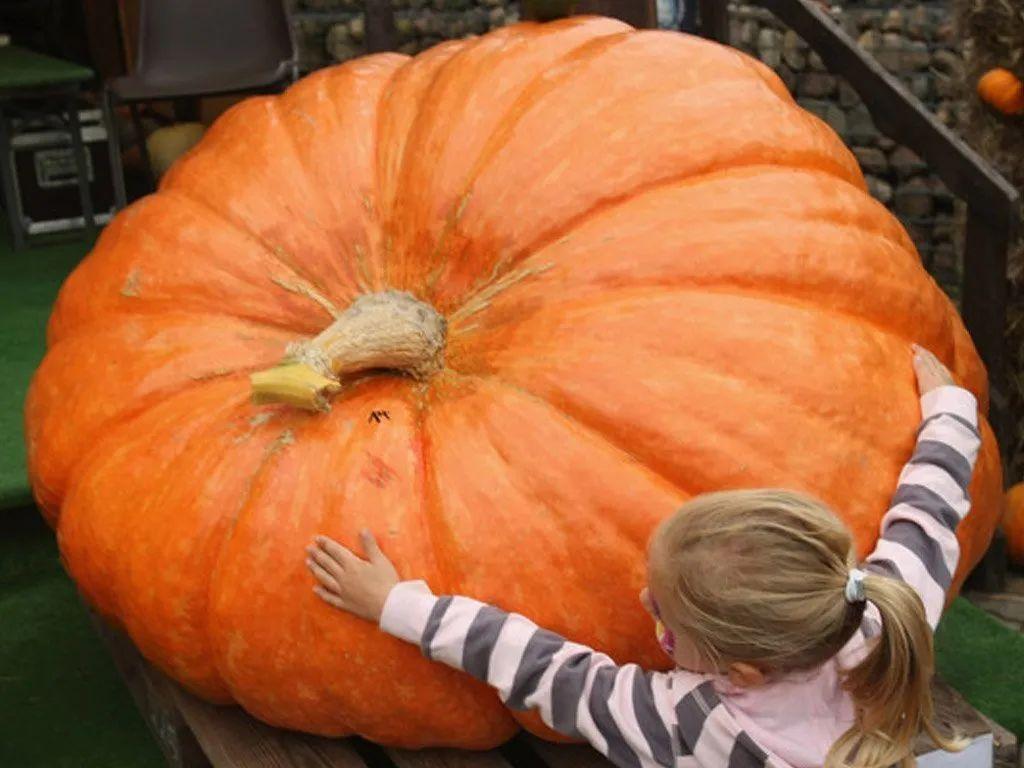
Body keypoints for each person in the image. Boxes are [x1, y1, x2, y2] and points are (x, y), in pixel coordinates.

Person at [305, 344, 979, 768]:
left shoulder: (694, 724)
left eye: (663, 618)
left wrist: (397, 605)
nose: (643, 606)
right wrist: (949, 408)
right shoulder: (884, 614)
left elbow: (548, 669)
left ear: (738, 669)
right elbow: (929, 515)